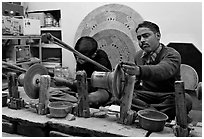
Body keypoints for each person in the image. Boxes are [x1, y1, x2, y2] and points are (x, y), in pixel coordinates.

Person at [121, 21, 192, 121]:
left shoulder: (172, 54)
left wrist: (139, 70)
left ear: (158, 36)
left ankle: (147, 112)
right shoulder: (138, 56)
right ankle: (157, 114)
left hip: (167, 96)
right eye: (139, 38)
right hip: (146, 95)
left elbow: (163, 70)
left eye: (146, 36)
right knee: (122, 96)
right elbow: (136, 83)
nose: (142, 40)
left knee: (186, 100)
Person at [74, 36, 112, 107]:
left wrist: (70, 83)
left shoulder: (101, 58)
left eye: (82, 59)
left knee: (89, 98)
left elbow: (97, 84)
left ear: (94, 55)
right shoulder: (80, 56)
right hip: (85, 86)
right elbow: (79, 76)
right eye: (76, 56)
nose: (78, 60)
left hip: (102, 89)